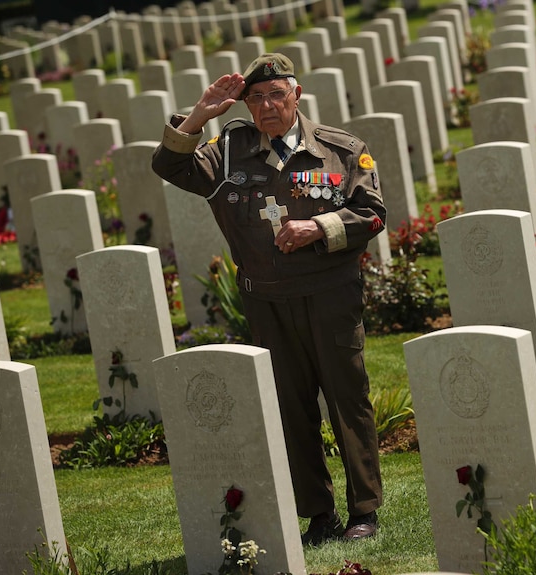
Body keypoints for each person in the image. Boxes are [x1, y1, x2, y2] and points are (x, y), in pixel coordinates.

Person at [151, 53, 385, 545]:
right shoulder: (229, 151)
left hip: (330, 298)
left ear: (296, 96)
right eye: (255, 98)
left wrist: (317, 227)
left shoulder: (342, 151)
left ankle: (364, 509)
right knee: (290, 408)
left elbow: (371, 216)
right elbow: (170, 164)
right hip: (268, 304)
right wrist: (201, 113)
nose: (266, 106)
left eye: (276, 94)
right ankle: (319, 513)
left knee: (348, 401)